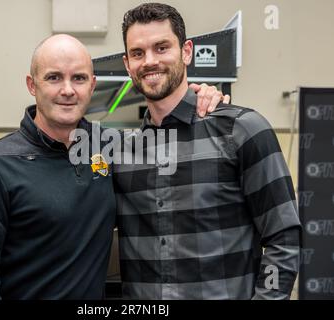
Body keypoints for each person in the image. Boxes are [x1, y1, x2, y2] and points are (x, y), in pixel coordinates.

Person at [0, 33, 227, 299]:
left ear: (92, 85)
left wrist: (200, 96)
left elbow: (170, 142)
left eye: (79, 78)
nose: (67, 90)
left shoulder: (113, 148)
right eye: (53, 77)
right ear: (32, 85)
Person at [113, 2, 301, 300]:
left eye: (161, 47)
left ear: (186, 51)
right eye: (138, 53)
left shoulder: (243, 130)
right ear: (127, 64)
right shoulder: (122, 155)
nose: (149, 61)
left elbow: (285, 238)